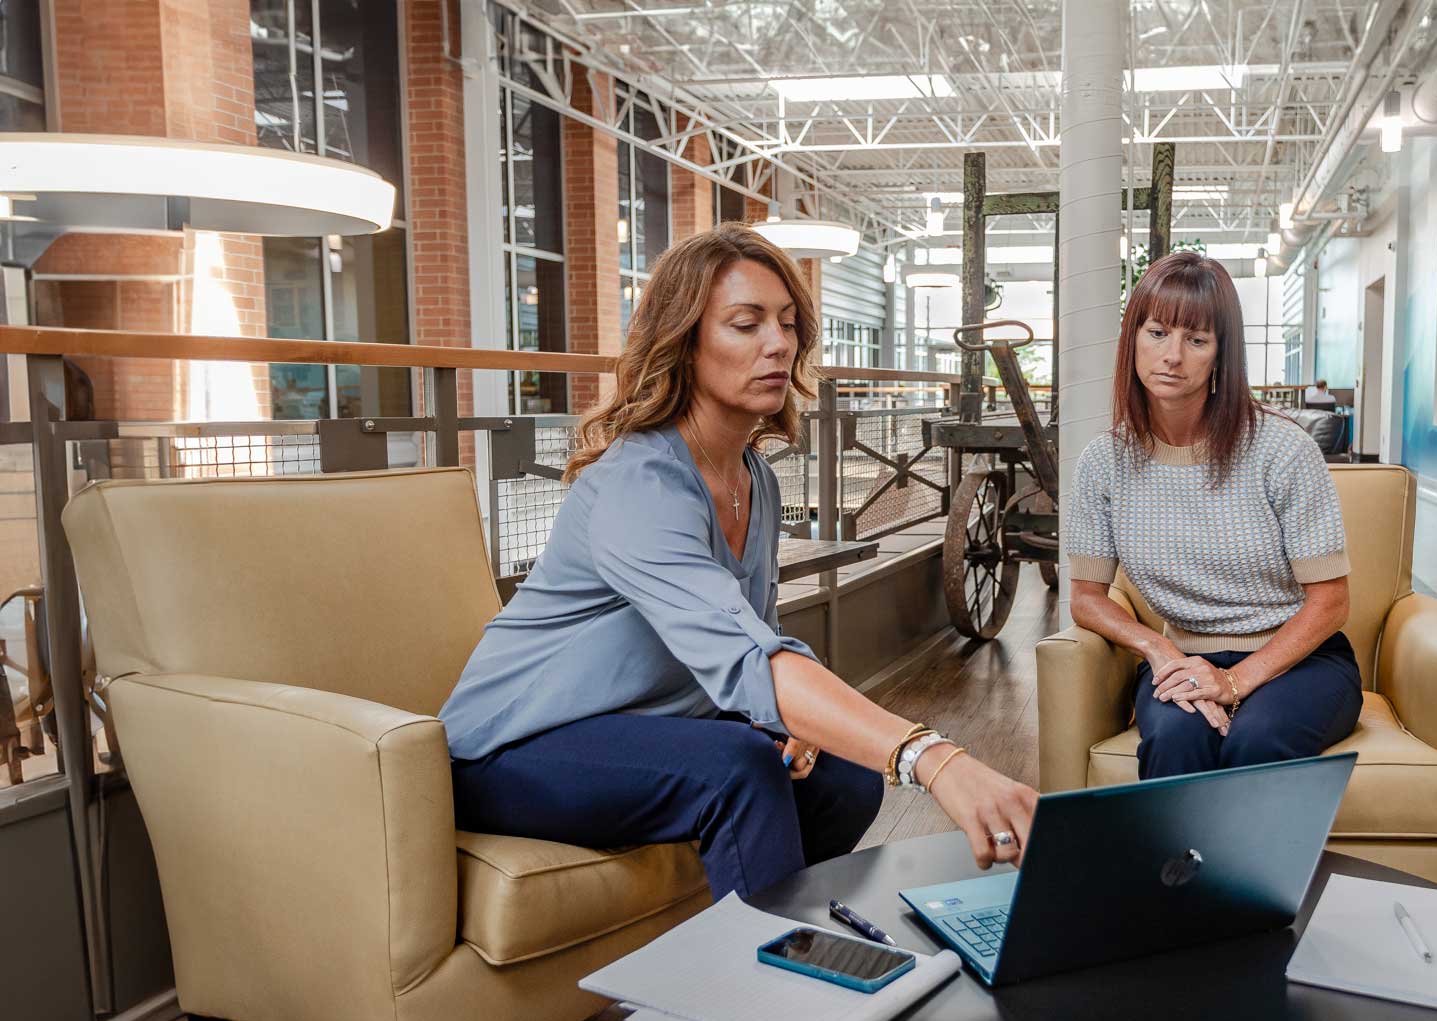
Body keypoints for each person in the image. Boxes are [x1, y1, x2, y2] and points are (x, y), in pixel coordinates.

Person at [438, 225, 1037, 899]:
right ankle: (773, 989)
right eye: (745, 324)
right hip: (505, 750)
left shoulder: (755, 475)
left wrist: (787, 720)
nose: (778, 344)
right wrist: (934, 758)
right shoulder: (638, 484)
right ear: (685, 343)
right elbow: (749, 660)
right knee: (739, 768)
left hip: (636, 726)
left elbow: (758, 637)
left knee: (842, 772)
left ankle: (777, 940)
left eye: (786, 323)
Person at [1066, 251, 1362, 779]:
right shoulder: (1103, 461)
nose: (1172, 355)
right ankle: (1171, 868)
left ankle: (1257, 867)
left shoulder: (1281, 449)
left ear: (1221, 355)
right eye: (1157, 332)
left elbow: (1331, 601)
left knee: (1257, 739)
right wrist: (1157, 649)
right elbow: (1087, 600)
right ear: (1132, 339)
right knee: (1176, 738)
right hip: (1181, 656)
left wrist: (1235, 682)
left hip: (1301, 662)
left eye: (1196, 340)